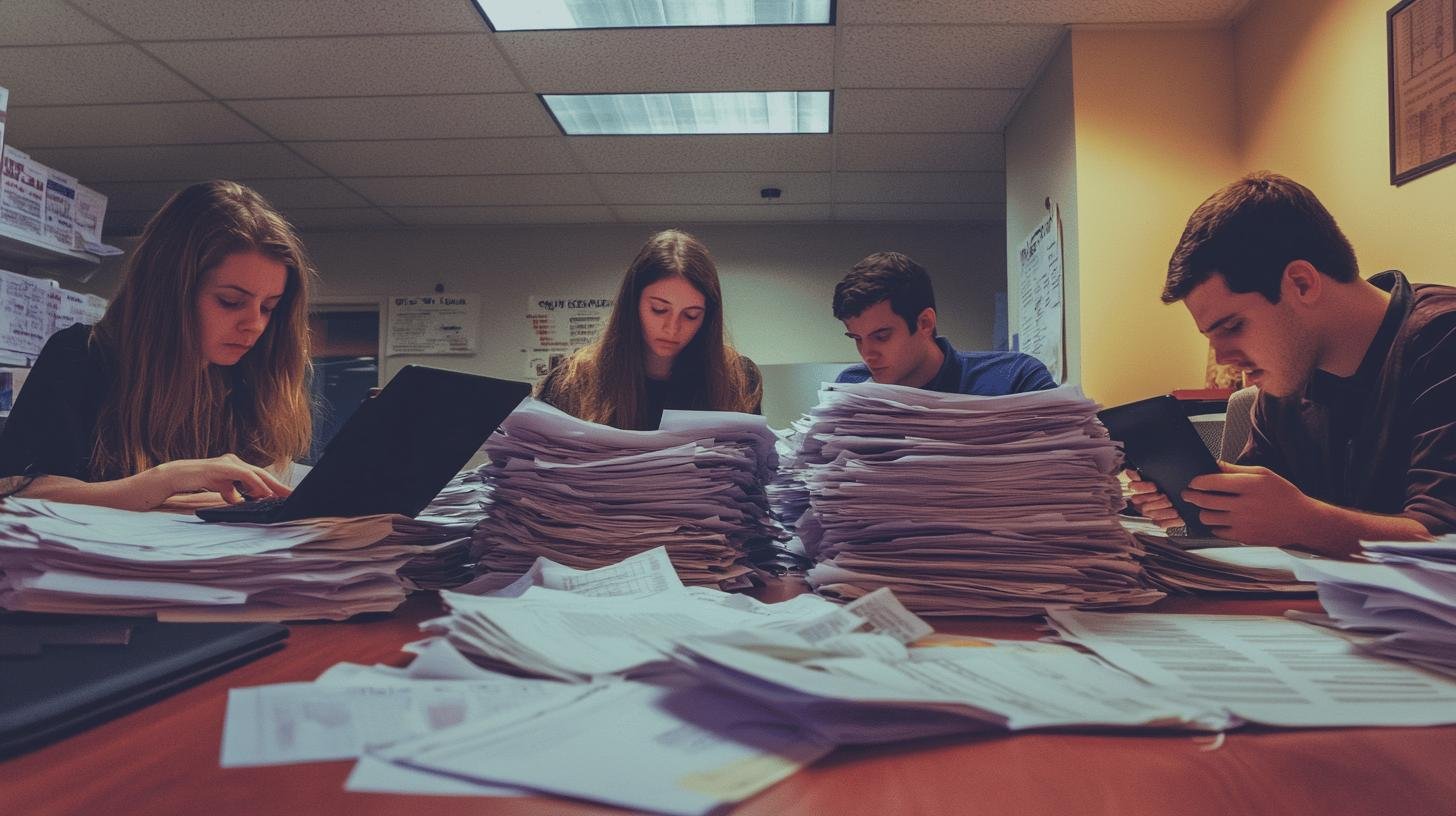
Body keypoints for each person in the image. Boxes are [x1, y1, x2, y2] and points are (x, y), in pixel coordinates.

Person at [1130, 171, 1456, 556]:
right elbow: (1268, 511)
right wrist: (1201, 504)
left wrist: (1306, 522)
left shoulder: (1442, 338)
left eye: (1233, 326)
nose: (1223, 360)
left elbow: (1442, 540)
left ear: (1301, 283)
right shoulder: (1286, 379)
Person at [0, 180, 315, 511]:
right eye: (230, 301)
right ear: (169, 293)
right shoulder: (80, 356)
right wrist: (166, 479)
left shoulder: (253, 378)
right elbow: (13, 489)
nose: (255, 324)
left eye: (269, 307)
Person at [536, 229, 762, 431]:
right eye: (659, 309)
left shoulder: (737, 379)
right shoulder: (573, 381)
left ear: (708, 316)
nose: (672, 328)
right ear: (632, 303)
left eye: (691, 315)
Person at [832, 251, 1056, 394]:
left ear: (925, 323)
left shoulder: (1016, 378)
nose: (867, 355)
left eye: (881, 337)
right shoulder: (850, 387)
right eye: (857, 339)